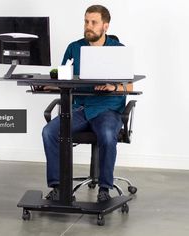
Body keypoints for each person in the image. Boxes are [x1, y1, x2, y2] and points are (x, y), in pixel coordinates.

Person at [42, 5, 133, 202]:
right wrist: (51, 85)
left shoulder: (118, 50)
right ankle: (59, 187)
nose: (88, 26)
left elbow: (130, 86)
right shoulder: (74, 47)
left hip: (108, 109)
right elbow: (62, 76)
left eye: (94, 22)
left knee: (108, 135)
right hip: (81, 108)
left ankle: (104, 188)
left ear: (105, 26)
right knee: (49, 132)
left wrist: (113, 88)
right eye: (86, 22)